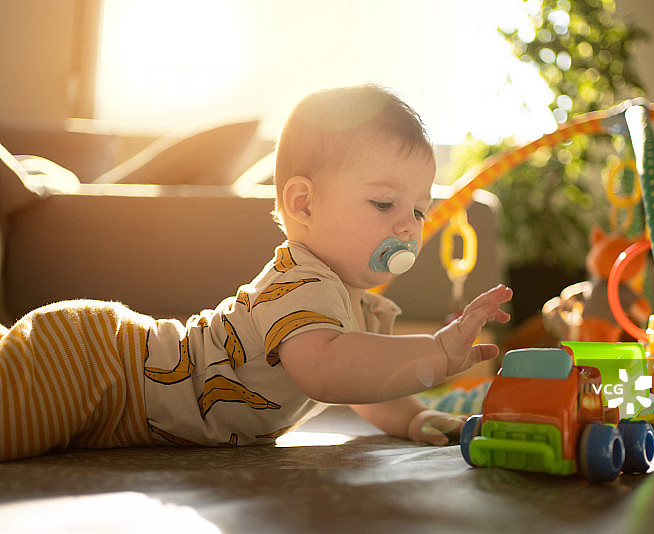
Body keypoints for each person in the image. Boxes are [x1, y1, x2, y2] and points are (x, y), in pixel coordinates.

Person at [0, 84, 512, 462]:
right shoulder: (301, 282)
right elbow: (328, 370)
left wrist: (415, 416)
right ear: (303, 203)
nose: (408, 225)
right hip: (93, 367)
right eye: (383, 202)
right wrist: (437, 352)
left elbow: (364, 385)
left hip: (109, 391)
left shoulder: (360, 307)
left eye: (419, 211)